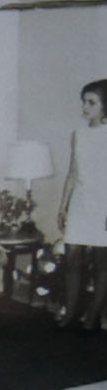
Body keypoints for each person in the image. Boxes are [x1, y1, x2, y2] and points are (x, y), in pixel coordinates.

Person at [54, 81, 107, 331]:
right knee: (72, 258)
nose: (85, 107)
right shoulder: (79, 133)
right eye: (84, 102)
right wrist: (63, 206)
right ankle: (71, 312)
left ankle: (91, 317)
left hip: (104, 204)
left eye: (91, 102)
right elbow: (73, 173)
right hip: (81, 203)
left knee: (102, 262)